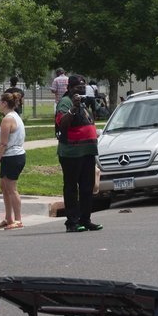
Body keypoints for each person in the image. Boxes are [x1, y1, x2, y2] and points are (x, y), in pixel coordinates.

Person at [55, 74, 102, 233]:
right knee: (71, 187)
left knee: (87, 187)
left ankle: (85, 219)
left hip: (87, 151)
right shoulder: (66, 102)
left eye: (83, 87)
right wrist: (73, 108)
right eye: (77, 88)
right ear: (69, 88)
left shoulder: (83, 102)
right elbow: (62, 124)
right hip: (71, 153)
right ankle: (72, 222)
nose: (80, 90)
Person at [0, 90, 27, 230]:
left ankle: (18, 219)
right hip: (12, 156)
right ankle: (8, 218)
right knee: (4, 186)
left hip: (12, 156)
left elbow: (3, 143)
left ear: (4, 103)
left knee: (11, 188)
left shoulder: (8, 119)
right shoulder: (14, 116)